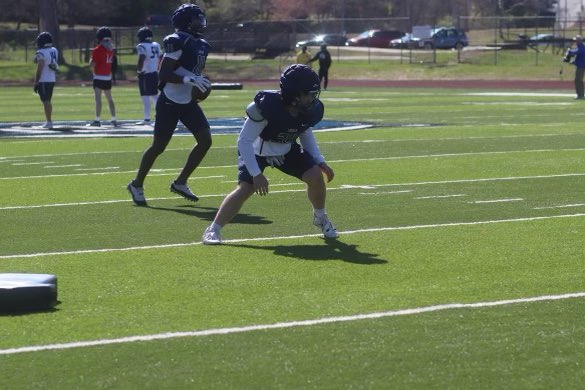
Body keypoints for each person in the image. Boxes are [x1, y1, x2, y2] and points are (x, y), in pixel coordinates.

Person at [202, 64, 338, 245]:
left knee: (315, 176)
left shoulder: (306, 110)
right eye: (309, 94)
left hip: (285, 147)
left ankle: (320, 217)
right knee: (246, 188)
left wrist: (320, 161)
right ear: (295, 95)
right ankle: (214, 229)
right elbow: (244, 141)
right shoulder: (266, 107)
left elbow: (305, 132)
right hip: (257, 150)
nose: (313, 98)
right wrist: (256, 174)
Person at [127, 3, 212, 206]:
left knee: (205, 140)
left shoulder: (202, 44)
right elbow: (163, 74)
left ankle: (180, 182)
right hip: (170, 101)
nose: (200, 22)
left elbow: (193, 73)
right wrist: (189, 80)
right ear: (185, 22)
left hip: (187, 101)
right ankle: (136, 184)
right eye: (196, 19)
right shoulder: (176, 41)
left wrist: (202, 84)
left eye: (201, 18)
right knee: (158, 147)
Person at [88, 27, 117, 127]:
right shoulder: (111, 49)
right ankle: (113, 119)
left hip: (99, 77)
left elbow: (92, 64)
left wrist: (93, 72)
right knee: (109, 98)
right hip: (108, 77)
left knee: (98, 99)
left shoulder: (97, 49)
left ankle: (97, 120)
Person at [135, 26, 162, 125]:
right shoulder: (156, 45)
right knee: (150, 95)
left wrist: (139, 70)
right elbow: (161, 57)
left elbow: (142, 58)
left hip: (146, 73)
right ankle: (149, 117)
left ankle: (154, 117)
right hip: (154, 72)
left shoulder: (141, 46)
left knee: (149, 96)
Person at [33, 32, 59, 129]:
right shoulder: (54, 50)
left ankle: (49, 121)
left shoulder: (41, 52)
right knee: (48, 100)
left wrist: (36, 81)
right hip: (52, 78)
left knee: (46, 101)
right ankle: (49, 120)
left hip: (44, 79)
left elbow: (40, 66)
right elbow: (55, 65)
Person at [564, 35, 585, 99]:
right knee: (577, 80)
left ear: (579, 41)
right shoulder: (580, 47)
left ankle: (581, 95)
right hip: (580, 66)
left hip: (581, 66)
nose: (575, 41)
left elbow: (576, 52)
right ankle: (580, 95)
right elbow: (576, 55)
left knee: (578, 80)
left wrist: (569, 51)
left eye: (576, 40)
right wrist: (571, 61)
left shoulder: (582, 48)